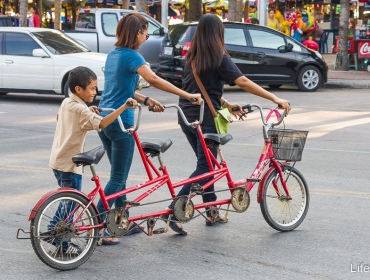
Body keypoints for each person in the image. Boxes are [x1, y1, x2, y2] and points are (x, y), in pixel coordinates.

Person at [169, 14, 291, 235]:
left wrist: (226, 103)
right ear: (218, 33)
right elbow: (242, 81)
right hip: (204, 120)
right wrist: (274, 99)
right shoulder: (218, 56)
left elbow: (202, 87)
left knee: (208, 166)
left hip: (187, 117)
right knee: (206, 167)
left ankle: (211, 210)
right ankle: (173, 211)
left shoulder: (193, 56)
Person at [96, 13, 202, 245]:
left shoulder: (115, 54)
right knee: (117, 180)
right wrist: (187, 95)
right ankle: (97, 228)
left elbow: (123, 90)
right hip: (121, 123)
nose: (146, 35)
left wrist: (146, 101)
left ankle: (121, 220)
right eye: (145, 31)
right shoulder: (133, 56)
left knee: (119, 177)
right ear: (136, 33)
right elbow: (153, 79)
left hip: (105, 120)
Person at [48, 66, 137, 253]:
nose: (95, 92)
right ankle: (61, 243)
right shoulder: (80, 110)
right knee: (70, 205)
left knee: (67, 202)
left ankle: (52, 231)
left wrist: (88, 110)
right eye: (92, 88)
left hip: (57, 160)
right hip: (70, 165)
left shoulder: (67, 103)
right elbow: (102, 123)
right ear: (79, 90)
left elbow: (72, 117)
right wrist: (124, 107)